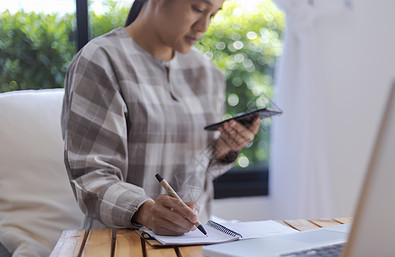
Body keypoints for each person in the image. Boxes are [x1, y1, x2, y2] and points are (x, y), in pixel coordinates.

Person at [61, 0, 260, 235]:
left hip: (196, 243)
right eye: (197, 9)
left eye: (213, 15)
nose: (203, 26)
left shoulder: (208, 73)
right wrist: (146, 212)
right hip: (119, 247)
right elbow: (91, 177)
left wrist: (226, 147)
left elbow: (198, 174)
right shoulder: (101, 60)